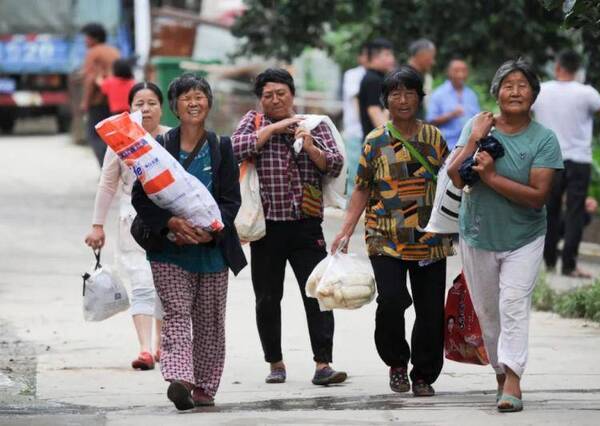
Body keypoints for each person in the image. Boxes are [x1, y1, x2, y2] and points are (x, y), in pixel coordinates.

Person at [447, 59, 563, 413]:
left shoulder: (544, 139)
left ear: (534, 93)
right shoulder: (478, 125)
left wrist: (493, 178)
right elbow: (455, 176)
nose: (515, 91)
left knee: (513, 305)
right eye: (508, 85)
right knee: (488, 312)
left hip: (524, 237)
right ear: (497, 93)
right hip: (478, 234)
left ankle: (512, 377)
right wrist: (475, 139)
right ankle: (500, 370)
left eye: (523, 85)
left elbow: (537, 197)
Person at [332, 66, 454, 397]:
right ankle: (397, 363)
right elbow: (361, 188)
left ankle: (424, 375)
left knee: (430, 311)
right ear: (386, 100)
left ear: (419, 98)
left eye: (410, 93)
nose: (403, 100)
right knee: (392, 300)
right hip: (385, 238)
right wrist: (345, 230)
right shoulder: (374, 141)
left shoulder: (433, 138)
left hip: (430, 240)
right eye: (395, 94)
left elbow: (450, 184)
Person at [132, 74, 246, 410]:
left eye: (199, 96)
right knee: (177, 314)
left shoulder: (221, 147)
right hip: (169, 249)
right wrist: (170, 223)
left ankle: (205, 387)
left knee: (210, 322)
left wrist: (211, 229)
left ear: (208, 103)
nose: (193, 103)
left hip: (211, 251)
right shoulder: (159, 148)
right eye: (186, 98)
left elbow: (231, 200)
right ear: (175, 107)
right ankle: (181, 379)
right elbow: (141, 197)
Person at [231, 68, 346, 386]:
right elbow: (234, 150)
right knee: (267, 298)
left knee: (317, 295)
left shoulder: (315, 125)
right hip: (266, 230)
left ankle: (323, 364)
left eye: (281, 93)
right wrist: (275, 128)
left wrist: (310, 146)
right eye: (268, 95)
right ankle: (275, 363)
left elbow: (335, 163)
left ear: (292, 95)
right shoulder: (253, 123)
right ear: (260, 100)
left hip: (307, 226)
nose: (275, 99)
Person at [85, 82, 170, 371]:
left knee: (166, 285)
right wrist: (97, 225)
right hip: (131, 225)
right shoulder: (119, 142)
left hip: (171, 225)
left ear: (162, 107)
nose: (145, 109)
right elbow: (107, 184)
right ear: (130, 109)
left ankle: (162, 345)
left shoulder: (173, 138)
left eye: (152, 103)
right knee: (143, 283)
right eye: (138, 104)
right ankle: (145, 349)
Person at [532, 49, 600, 278]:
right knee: (574, 212)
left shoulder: (542, 91)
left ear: (557, 67)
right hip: (579, 160)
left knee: (549, 211)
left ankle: (549, 261)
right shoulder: (586, 93)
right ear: (577, 70)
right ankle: (569, 265)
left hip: (548, 159)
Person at [79, 23, 120, 167]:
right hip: (115, 101)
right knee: (113, 137)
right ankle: (115, 169)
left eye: (86, 37)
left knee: (94, 136)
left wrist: (85, 103)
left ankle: (106, 168)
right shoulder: (114, 51)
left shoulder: (93, 52)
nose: (85, 41)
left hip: (98, 101)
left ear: (94, 38)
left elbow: (91, 80)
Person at [427, 59, 481, 151]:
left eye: (464, 71)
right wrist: (451, 115)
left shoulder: (471, 94)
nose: (461, 74)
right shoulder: (438, 94)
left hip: (469, 147)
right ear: (449, 72)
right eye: (456, 71)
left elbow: (478, 119)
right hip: (446, 147)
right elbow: (430, 122)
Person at [342, 43, 369, 196]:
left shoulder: (379, 75)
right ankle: (352, 208)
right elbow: (356, 100)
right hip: (355, 131)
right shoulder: (353, 75)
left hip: (368, 132)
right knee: (355, 174)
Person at [358, 38, 396, 138]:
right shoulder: (373, 80)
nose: (392, 59)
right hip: (380, 146)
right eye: (387, 55)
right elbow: (375, 114)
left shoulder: (377, 78)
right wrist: (394, 146)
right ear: (375, 57)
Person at [407, 39, 437, 119]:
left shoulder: (421, 76)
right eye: (431, 58)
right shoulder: (407, 76)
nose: (433, 62)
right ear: (421, 55)